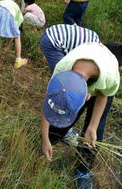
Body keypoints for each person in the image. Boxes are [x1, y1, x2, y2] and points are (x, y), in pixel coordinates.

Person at [41, 42, 121, 189]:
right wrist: (45, 139)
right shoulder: (61, 70)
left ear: (88, 96)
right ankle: (53, 138)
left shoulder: (110, 77)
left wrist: (92, 126)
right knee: (63, 115)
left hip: (103, 86)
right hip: (82, 73)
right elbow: (50, 105)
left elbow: (103, 97)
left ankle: (83, 171)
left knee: (94, 135)